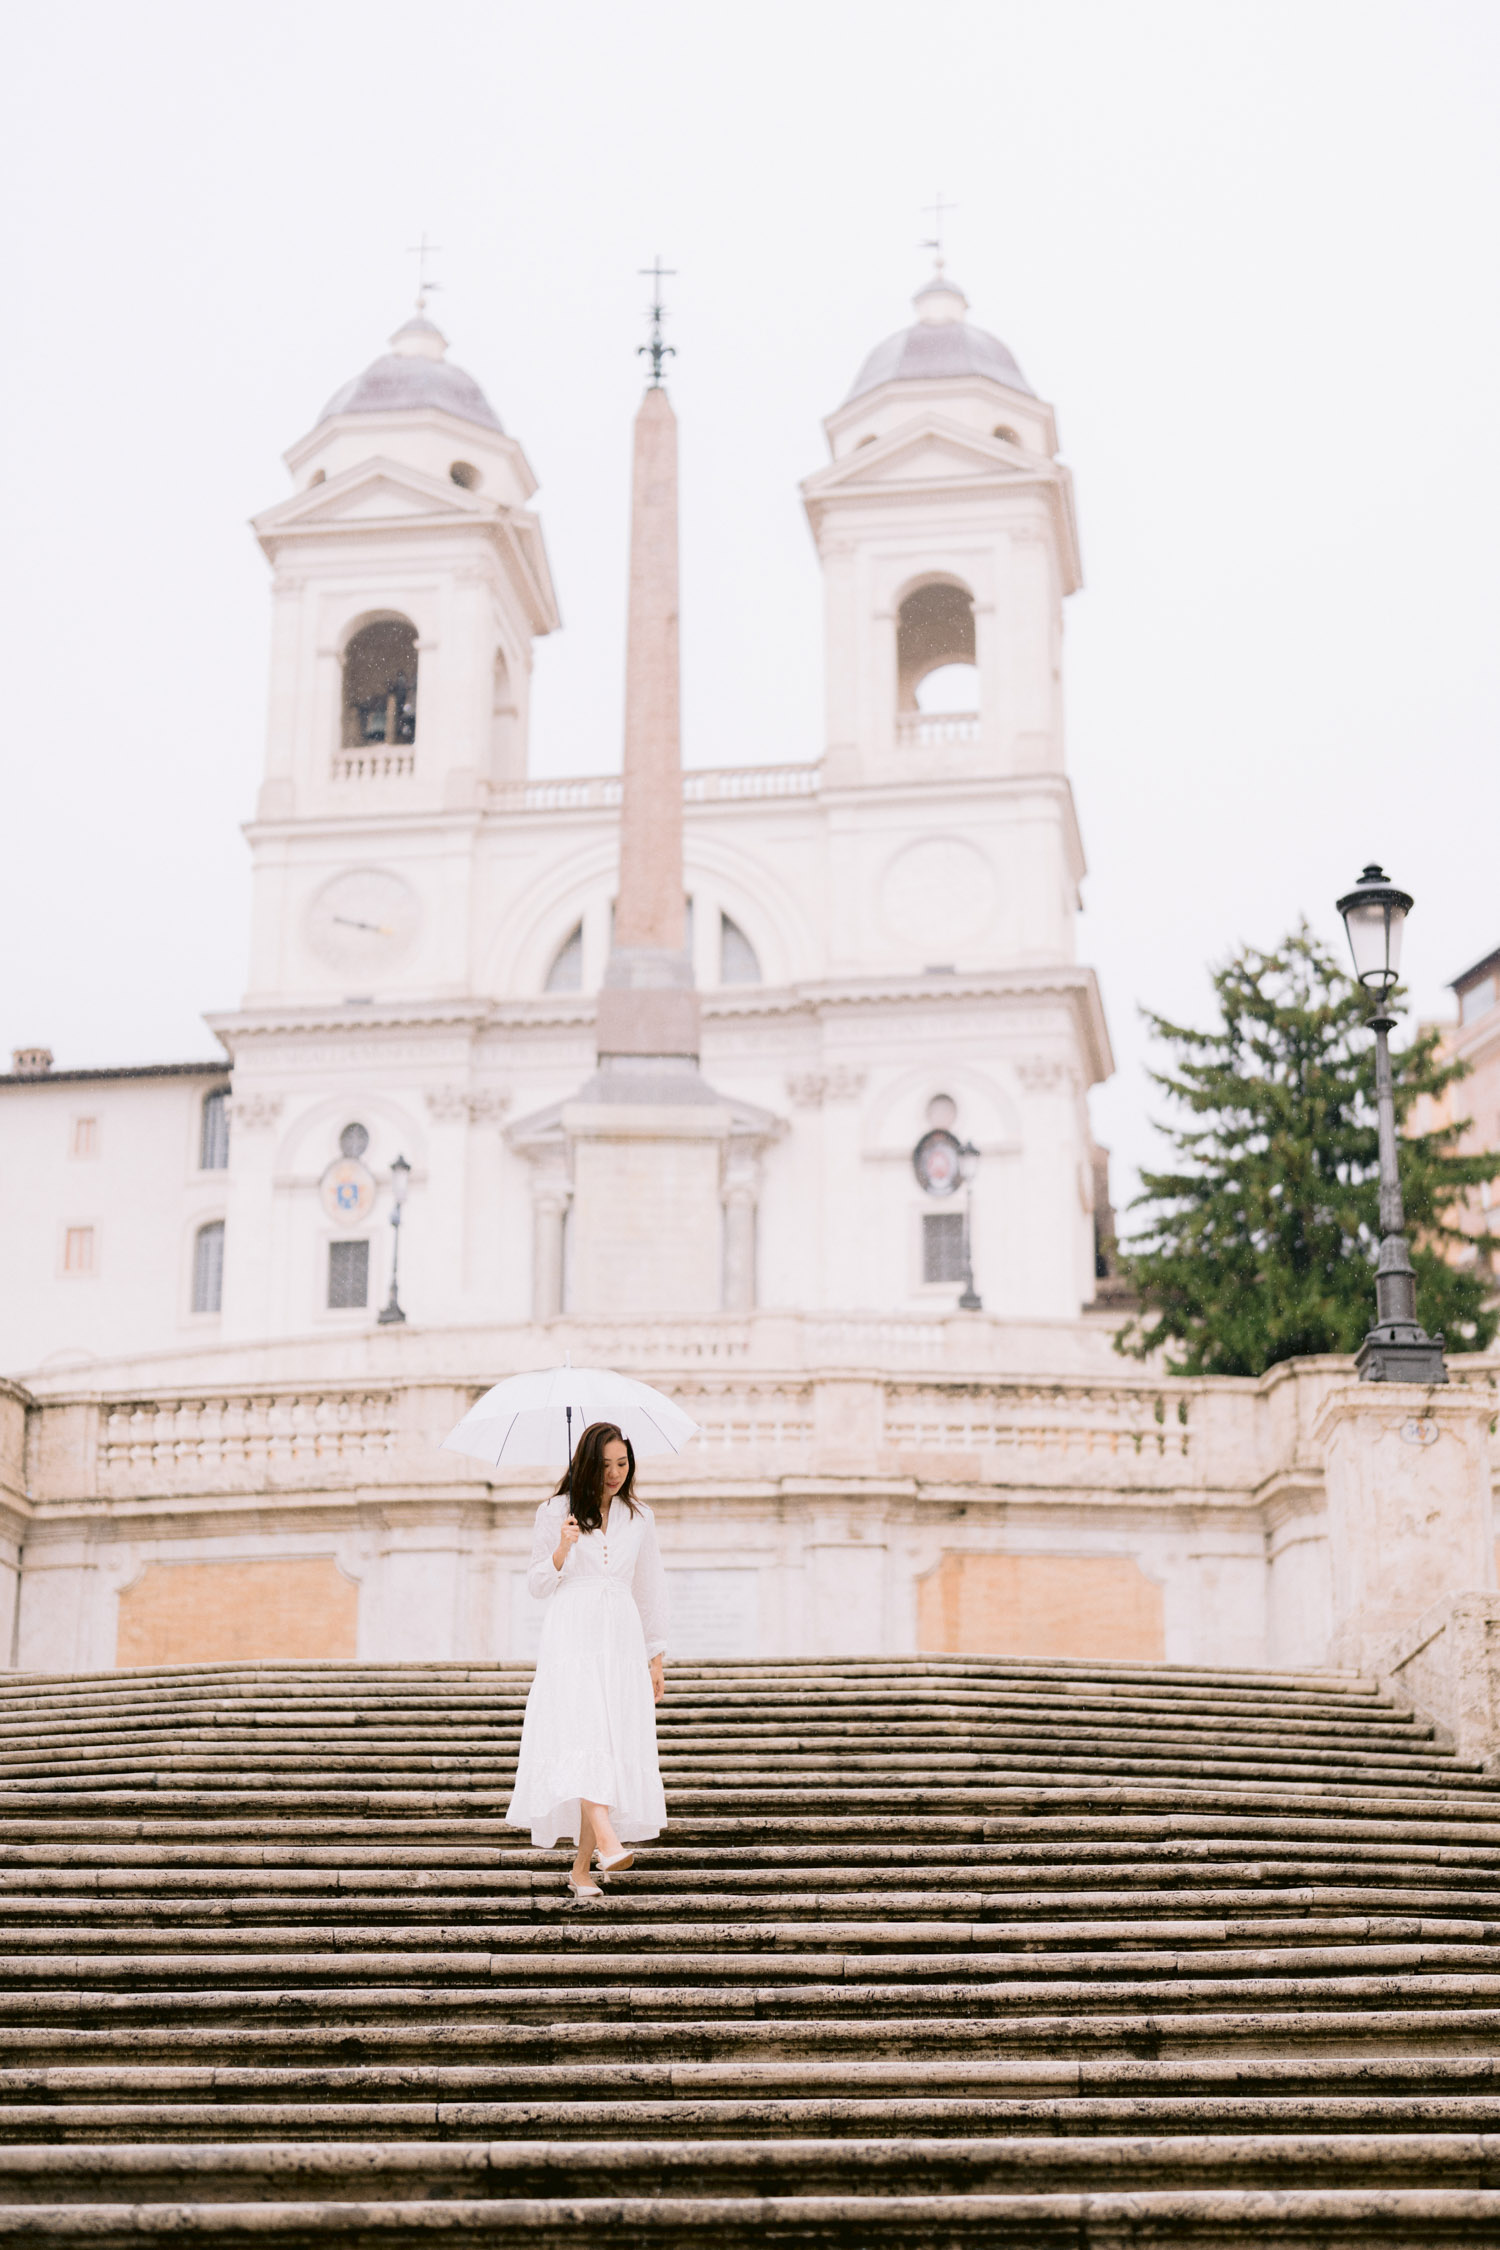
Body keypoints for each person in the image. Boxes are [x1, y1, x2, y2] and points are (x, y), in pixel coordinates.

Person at [505, 1420, 669, 1899]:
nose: (615, 1473)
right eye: (605, 1464)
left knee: (607, 1743)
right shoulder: (555, 1511)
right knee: (581, 1732)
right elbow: (537, 1583)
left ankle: (581, 1870)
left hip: (619, 1634)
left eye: (622, 1463)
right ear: (586, 1463)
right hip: (571, 1634)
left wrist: (654, 1655)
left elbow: (650, 1588)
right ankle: (609, 1840)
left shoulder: (639, 1517)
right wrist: (562, 1547)